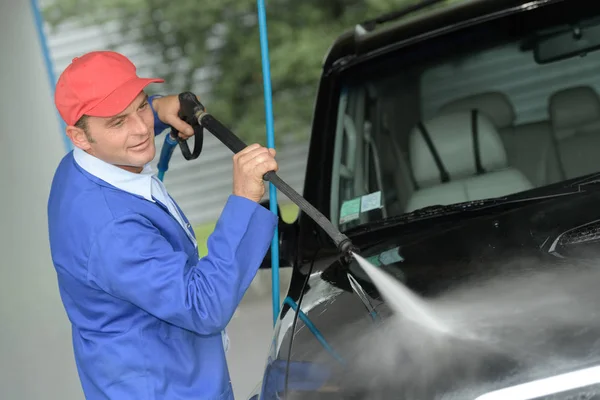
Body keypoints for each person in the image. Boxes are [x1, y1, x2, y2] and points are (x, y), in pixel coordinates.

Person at [47, 50, 279, 399]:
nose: (141, 128)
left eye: (139, 106)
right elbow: (203, 306)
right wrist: (244, 199)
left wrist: (158, 109)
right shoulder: (111, 230)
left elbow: (125, 123)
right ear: (79, 137)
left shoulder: (76, 168)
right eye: (118, 122)